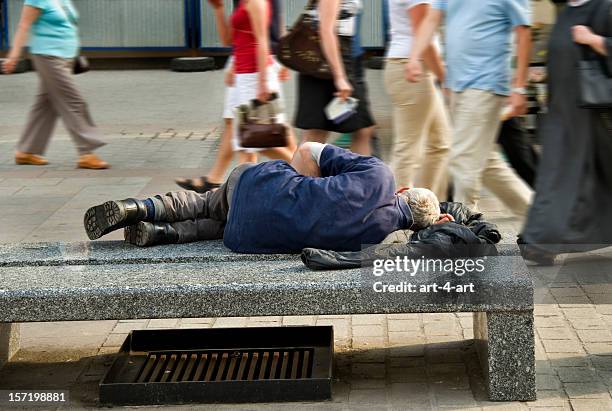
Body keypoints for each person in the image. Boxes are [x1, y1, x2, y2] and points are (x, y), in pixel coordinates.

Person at [83, 143, 453, 253]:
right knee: (228, 222)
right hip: (244, 239)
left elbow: (309, 148)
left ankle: (139, 208)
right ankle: (159, 234)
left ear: (404, 190)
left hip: (253, 185)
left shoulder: (379, 174)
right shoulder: (375, 241)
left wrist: (300, 184)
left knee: (208, 201)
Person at [406, 0, 534, 219]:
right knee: (484, 163)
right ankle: (541, 218)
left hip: (486, 83)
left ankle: (465, 235)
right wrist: (414, 56)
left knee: (463, 163)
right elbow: (432, 18)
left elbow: (523, 32)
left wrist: (520, 86)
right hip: (457, 85)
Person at [519, 0, 612, 264]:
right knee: (556, 175)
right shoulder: (567, 11)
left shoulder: (604, 7)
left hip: (594, 115)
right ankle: (540, 242)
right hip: (563, 114)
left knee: (581, 178)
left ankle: (542, 241)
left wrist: (594, 40)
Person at [176, 0, 293, 193]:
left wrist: (263, 83)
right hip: (244, 76)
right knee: (248, 145)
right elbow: (228, 40)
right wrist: (218, 9)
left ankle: (310, 174)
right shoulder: (242, 3)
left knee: (256, 141)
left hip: (255, 76)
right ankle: (245, 196)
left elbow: (262, 41)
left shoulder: (256, 3)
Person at [2, 0, 109, 169]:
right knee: (74, 101)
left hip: (64, 58)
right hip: (48, 57)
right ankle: (86, 151)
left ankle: (26, 151)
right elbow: (24, 25)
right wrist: (14, 56)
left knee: (45, 105)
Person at [384, 0, 450, 199]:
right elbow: (424, 33)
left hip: (415, 68)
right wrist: (446, 79)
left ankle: (427, 209)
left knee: (440, 144)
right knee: (408, 151)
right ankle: (394, 214)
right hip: (412, 69)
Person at [295, 0, 376, 155]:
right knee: (316, 136)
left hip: (335, 58)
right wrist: (339, 76)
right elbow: (326, 29)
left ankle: (358, 177)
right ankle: (360, 177)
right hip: (329, 60)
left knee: (360, 129)